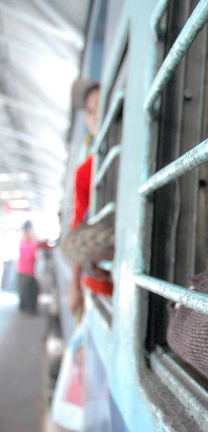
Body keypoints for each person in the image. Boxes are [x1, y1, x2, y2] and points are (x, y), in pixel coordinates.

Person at [64, 81, 114, 316]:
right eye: (90, 110)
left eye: (100, 105)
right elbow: (78, 224)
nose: (95, 115)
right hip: (102, 286)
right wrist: (74, 286)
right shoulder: (85, 172)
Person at [16, 220, 50, 314]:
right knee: (29, 292)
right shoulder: (24, 243)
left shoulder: (30, 242)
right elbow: (29, 254)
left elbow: (42, 245)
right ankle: (29, 309)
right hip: (25, 272)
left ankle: (29, 309)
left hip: (29, 272)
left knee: (32, 291)